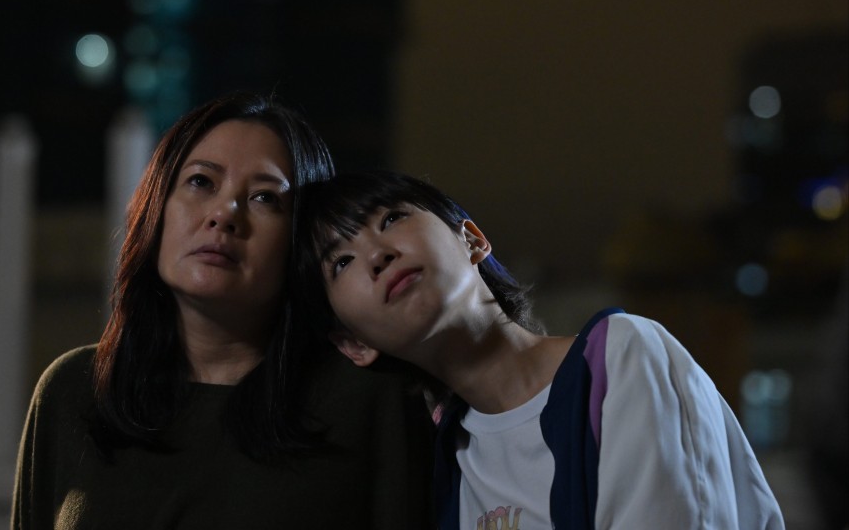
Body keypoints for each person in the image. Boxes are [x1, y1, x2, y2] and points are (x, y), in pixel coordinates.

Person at [11, 94, 434, 529]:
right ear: (156, 207)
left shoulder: (368, 399)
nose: (223, 214)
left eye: (265, 198)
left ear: (302, 240)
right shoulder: (75, 391)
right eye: (200, 182)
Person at [295, 169, 785, 530]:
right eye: (340, 262)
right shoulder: (448, 459)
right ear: (354, 344)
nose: (377, 255)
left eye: (392, 218)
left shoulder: (620, 359)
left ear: (472, 240)